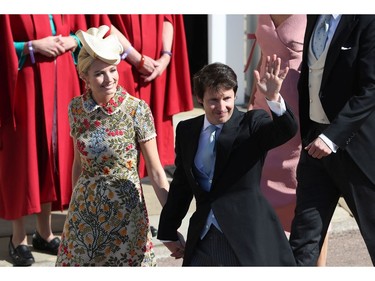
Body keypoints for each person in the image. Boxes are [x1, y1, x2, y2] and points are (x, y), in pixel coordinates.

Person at [157, 57, 298, 266]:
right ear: (200, 99)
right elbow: (182, 183)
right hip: (204, 236)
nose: (221, 107)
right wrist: (168, 231)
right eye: (214, 100)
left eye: (227, 98)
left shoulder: (251, 123)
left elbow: (285, 130)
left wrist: (273, 98)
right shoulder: (188, 130)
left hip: (247, 236)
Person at [55, 25, 170, 266]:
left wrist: (171, 221)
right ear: (84, 77)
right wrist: (73, 211)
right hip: (85, 214)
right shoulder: (76, 109)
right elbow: (78, 163)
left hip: (126, 215)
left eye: (113, 70)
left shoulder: (136, 109)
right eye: (99, 73)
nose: (109, 79)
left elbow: (157, 171)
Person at [289, 15, 375, 266]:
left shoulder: (367, 19)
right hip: (315, 146)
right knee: (303, 240)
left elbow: (371, 88)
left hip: (356, 148)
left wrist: (332, 136)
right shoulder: (315, 15)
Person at [0, 14, 84, 266]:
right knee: (22, 156)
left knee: (52, 153)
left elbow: (82, 31)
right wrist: (31, 46)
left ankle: (44, 232)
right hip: (24, 82)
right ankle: (18, 238)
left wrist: (74, 41)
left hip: (61, 82)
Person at [246, 14, 328, 266]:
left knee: (307, 197)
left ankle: (318, 269)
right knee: (259, 187)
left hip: (300, 107)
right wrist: (252, 96)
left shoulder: (316, 13)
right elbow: (264, 52)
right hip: (264, 106)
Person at [85, 14, 194, 178]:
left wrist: (165, 56)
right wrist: (136, 58)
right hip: (123, 65)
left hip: (155, 70)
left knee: (152, 152)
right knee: (120, 149)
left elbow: (169, 16)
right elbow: (103, 20)